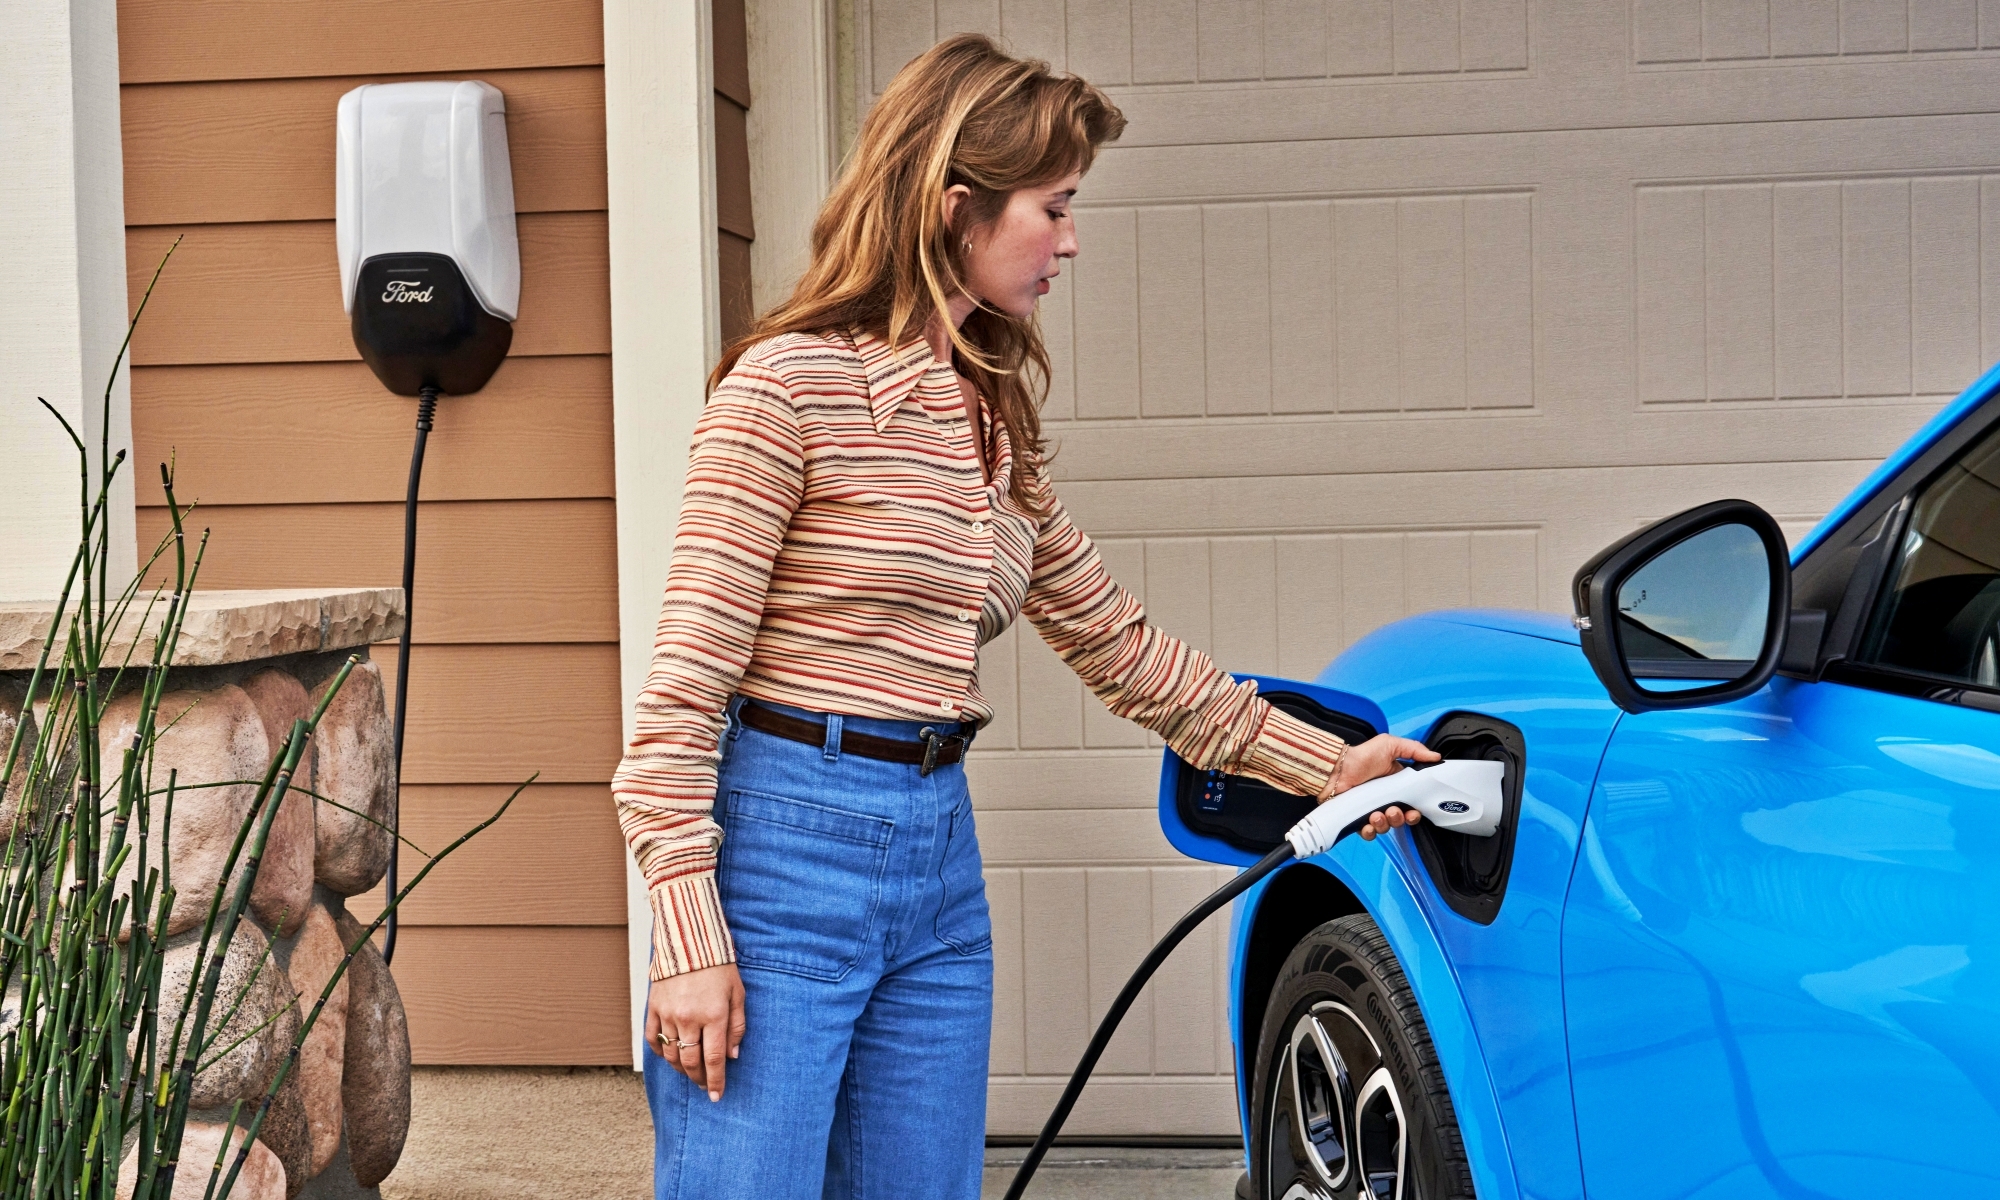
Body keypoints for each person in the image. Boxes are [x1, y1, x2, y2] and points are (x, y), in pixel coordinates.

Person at [611, 33, 1435, 1200]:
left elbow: (1118, 642)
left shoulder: (985, 416)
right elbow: (681, 693)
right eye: (1050, 208)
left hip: (936, 856)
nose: (1069, 238)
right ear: (956, 209)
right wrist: (689, 937)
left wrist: (1327, 769)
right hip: (782, 856)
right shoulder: (783, 392)